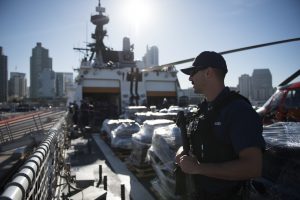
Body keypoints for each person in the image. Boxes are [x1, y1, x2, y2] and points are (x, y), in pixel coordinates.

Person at [175, 51, 265, 199]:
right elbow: (191, 144)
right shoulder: (202, 110)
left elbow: (252, 167)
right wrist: (181, 155)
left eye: (193, 72)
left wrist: (198, 168)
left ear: (208, 72)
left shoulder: (238, 110)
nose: (190, 77)